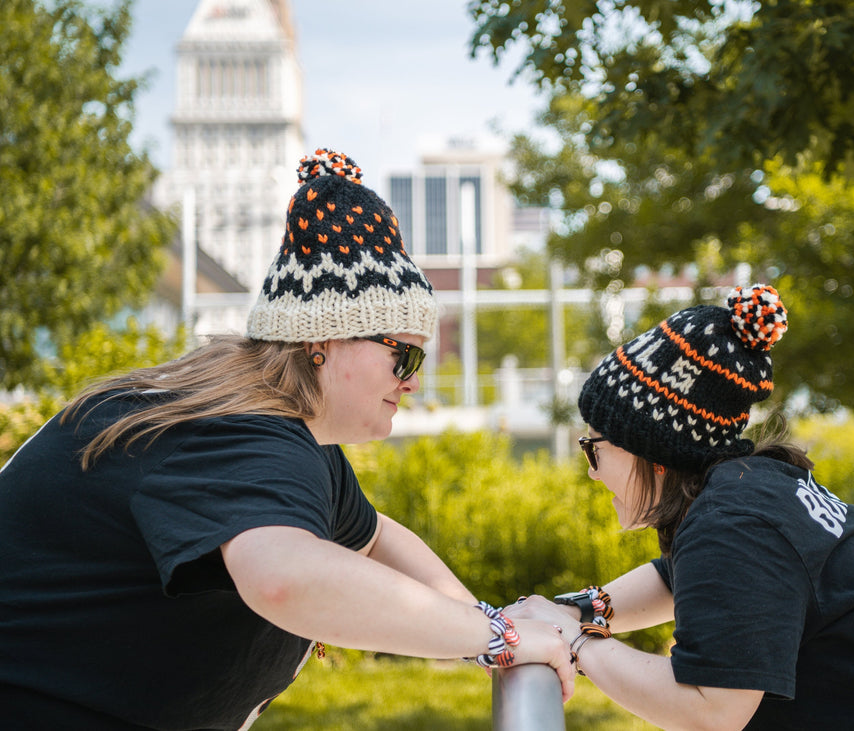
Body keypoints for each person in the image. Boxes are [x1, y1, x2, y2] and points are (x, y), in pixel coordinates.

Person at [0, 148, 572, 730]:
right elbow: (284, 578)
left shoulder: (288, 435)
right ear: (321, 341)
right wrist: (496, 637)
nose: (415, 379)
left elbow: (374, 539)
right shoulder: (247, 433)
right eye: (404, 352)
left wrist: (484, 625)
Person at [506, 284, 854, 730]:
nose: (592, 470)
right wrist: (578, 610)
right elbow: (681, 579)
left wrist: (574, 642)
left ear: (655, 452)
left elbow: (711, 708)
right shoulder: (750, 488)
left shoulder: (734, 524)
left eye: (594, 447)